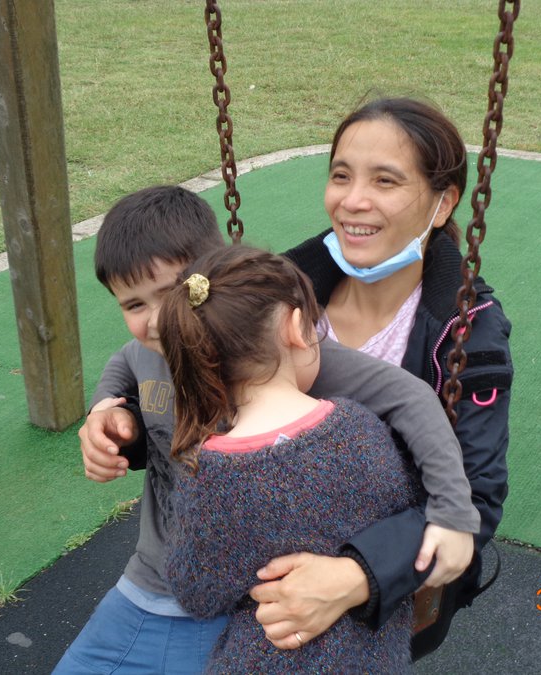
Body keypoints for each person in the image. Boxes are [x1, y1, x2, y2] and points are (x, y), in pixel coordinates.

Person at [56, 185, 478, 674]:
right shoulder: (145, 352)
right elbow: (123, 362)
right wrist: (106, 407)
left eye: (171, 295)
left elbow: (411, 398)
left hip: (243, 601)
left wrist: (451, 511)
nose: (156, 322)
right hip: (147, 580)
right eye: (132, 305)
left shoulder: (279, 359)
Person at [282, 96, 513, 654]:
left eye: (386, 181)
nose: (352, 201)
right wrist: (126, 424)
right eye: (341, 176)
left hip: (383, 584)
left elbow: (475, 500)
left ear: (441, 204)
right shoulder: (280, 295)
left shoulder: (465, 334)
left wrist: (355, 577)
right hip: (275, 560)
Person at [160, 245, 423, 672]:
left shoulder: (208, 471)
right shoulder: (357, 428)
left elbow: (195, 592)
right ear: (297, 326)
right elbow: (411, 510)